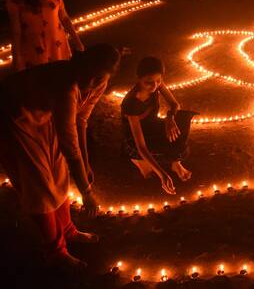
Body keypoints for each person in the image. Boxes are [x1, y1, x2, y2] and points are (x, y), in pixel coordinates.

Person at [0, 44, 119, 269]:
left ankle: (68, 230)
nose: (92, 83)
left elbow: (81, 120)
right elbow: (69, 146)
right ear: (82, 65)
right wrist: (87, 191)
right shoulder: (66, 87)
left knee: (58, 171)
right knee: (40, 182)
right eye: (90, 75)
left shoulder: (99, 82)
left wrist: (86, 162)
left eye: (99, 78)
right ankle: (55, 251)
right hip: (14, 112)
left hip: (43, 112)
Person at [121, 57, 195, 194]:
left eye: (158, 80)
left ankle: (175, 163)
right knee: (149, 159)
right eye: (149, 82)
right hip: (138, 137)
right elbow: (141, 147)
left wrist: (170, 118)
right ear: (139, 79)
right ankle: (142, 163)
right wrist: (162, 175)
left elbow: (174, 105)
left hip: (154, 125)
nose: (154, 86)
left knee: (183, 118)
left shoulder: (156, 84)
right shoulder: (131, 103)